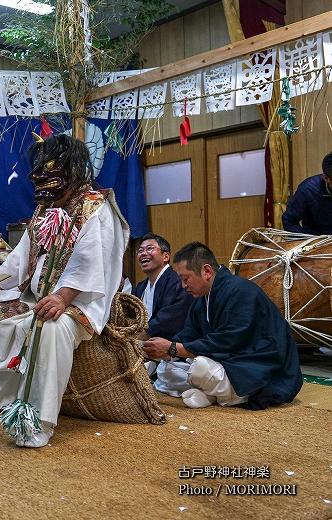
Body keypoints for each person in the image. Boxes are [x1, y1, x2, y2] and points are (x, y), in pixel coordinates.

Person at [0, 134, 129, 448]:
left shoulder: (94, 207)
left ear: (68, 171)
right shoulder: (44, 209)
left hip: (75, 304)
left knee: (51, 327)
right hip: (32, 299)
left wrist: (62, 298)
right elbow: (15, 263)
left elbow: (92, 263)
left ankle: (38, 419)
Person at [142, 242, 302, 409]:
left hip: (259, 366)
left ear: (207, 271)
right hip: (224, 362)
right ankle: (215, 393)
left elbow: (230, 341)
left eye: (185, 279)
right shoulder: (202, 299)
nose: (183, 286)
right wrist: (160, 351)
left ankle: (229, 395)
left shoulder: (241, 291)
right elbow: (188, 335)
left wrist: (173, 348)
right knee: (165, 370)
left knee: (200, 368)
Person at [131, 233, 194, 396]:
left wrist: (140, 338)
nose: (143, 253)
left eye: (149, 249)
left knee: (173, 373)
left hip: (172, 350)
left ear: (166, 256)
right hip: (145, 347)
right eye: (140, 251)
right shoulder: (141, 286)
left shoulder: (176, 281)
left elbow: (171, 316)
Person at [282, 152, 332, 235]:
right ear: (326, 178)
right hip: (317, 240)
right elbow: (289, 223)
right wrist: (313, 237)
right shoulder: (307, 189)